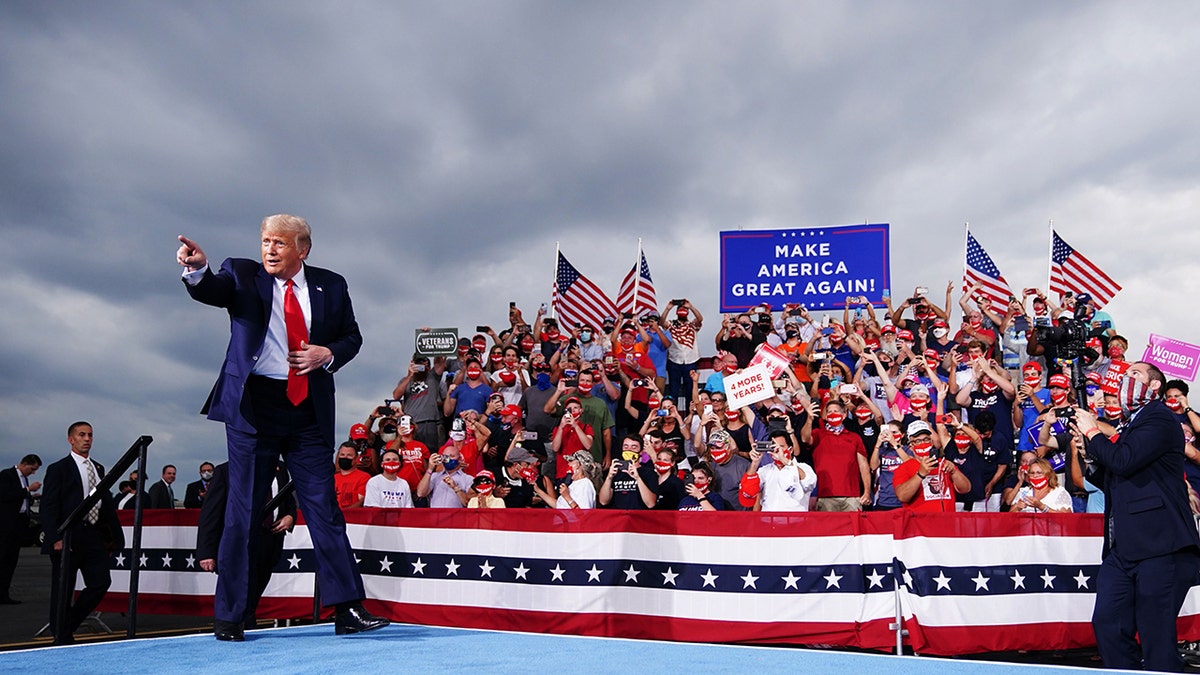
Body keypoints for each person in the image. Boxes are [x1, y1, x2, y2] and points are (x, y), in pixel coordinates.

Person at [176, 216, 387, 641]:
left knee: (324, 510)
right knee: (244, 512)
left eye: (279, 243)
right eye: (265, 241)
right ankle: (231, 615)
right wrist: (197, 270)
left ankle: (347, 608)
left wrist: (327, 353)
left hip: (307, 412)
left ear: (302, 249)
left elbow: (352, 337)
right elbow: (213, 291)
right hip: (254, 410)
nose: (269, 250)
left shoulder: (332, 284)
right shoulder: (241, 272)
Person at [1072, 361, 1200, 671]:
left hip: (1160, 544)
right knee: (1107, 623)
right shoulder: (1129, 425)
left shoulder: (1160, 418)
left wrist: (1093, 430)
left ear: (1154, 385)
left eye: (1135, 373)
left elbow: (1125, 460)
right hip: (1123, 548)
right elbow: (1114, 478)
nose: (1125, 377)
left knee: (1156, 636)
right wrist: (1090, 451)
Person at [40, 422, 124, 644]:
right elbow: (48, 507)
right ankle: (62, 637)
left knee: (100, 582)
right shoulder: (58, 469)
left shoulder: (98, 468)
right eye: (82, 435)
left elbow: (105, 506)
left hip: (93, 536)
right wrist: (55, 538)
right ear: (71, 439)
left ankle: (66, 624)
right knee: (63, 589)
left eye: (90, 435)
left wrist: (112, 539)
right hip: (68, 537)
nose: (87, 439)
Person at [196, 461, 295, 630]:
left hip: (269, 542)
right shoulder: (225, 471)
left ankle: (245, 627)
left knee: (254, 594)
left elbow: (288, 500)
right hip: (238, 543)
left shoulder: (279, 468)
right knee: (239, 594)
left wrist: (290, 517)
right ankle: (235, 628)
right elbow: (211, 513)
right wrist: (207, 551)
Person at [0, 454, 41, 604]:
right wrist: (27, 490)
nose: (32, 473)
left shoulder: (24, 479)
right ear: (25, 464)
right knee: (3, 558)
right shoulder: (6, 475)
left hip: (19, 523)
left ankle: (4, 593)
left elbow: (19, 497)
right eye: (32, 469)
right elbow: (5, 495)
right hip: (6, 524)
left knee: (11, 560)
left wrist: (31, 496)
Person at [1006, 457, 1071, 513]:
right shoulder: (1024, 492)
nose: (1035, 476)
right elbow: (1009, 517)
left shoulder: (1058, 492)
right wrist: (1017, 508)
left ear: (1048, 475)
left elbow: (1067, 518)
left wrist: (1042, 507)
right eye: (1032, 473)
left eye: (1039, 473)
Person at [333, 442, 370, 510]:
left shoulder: (364, 477)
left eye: (349, 455)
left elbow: (361, 501)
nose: (345, 457)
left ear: (356, 458)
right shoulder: (333, 478)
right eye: (342, 455)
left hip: (352, 517)